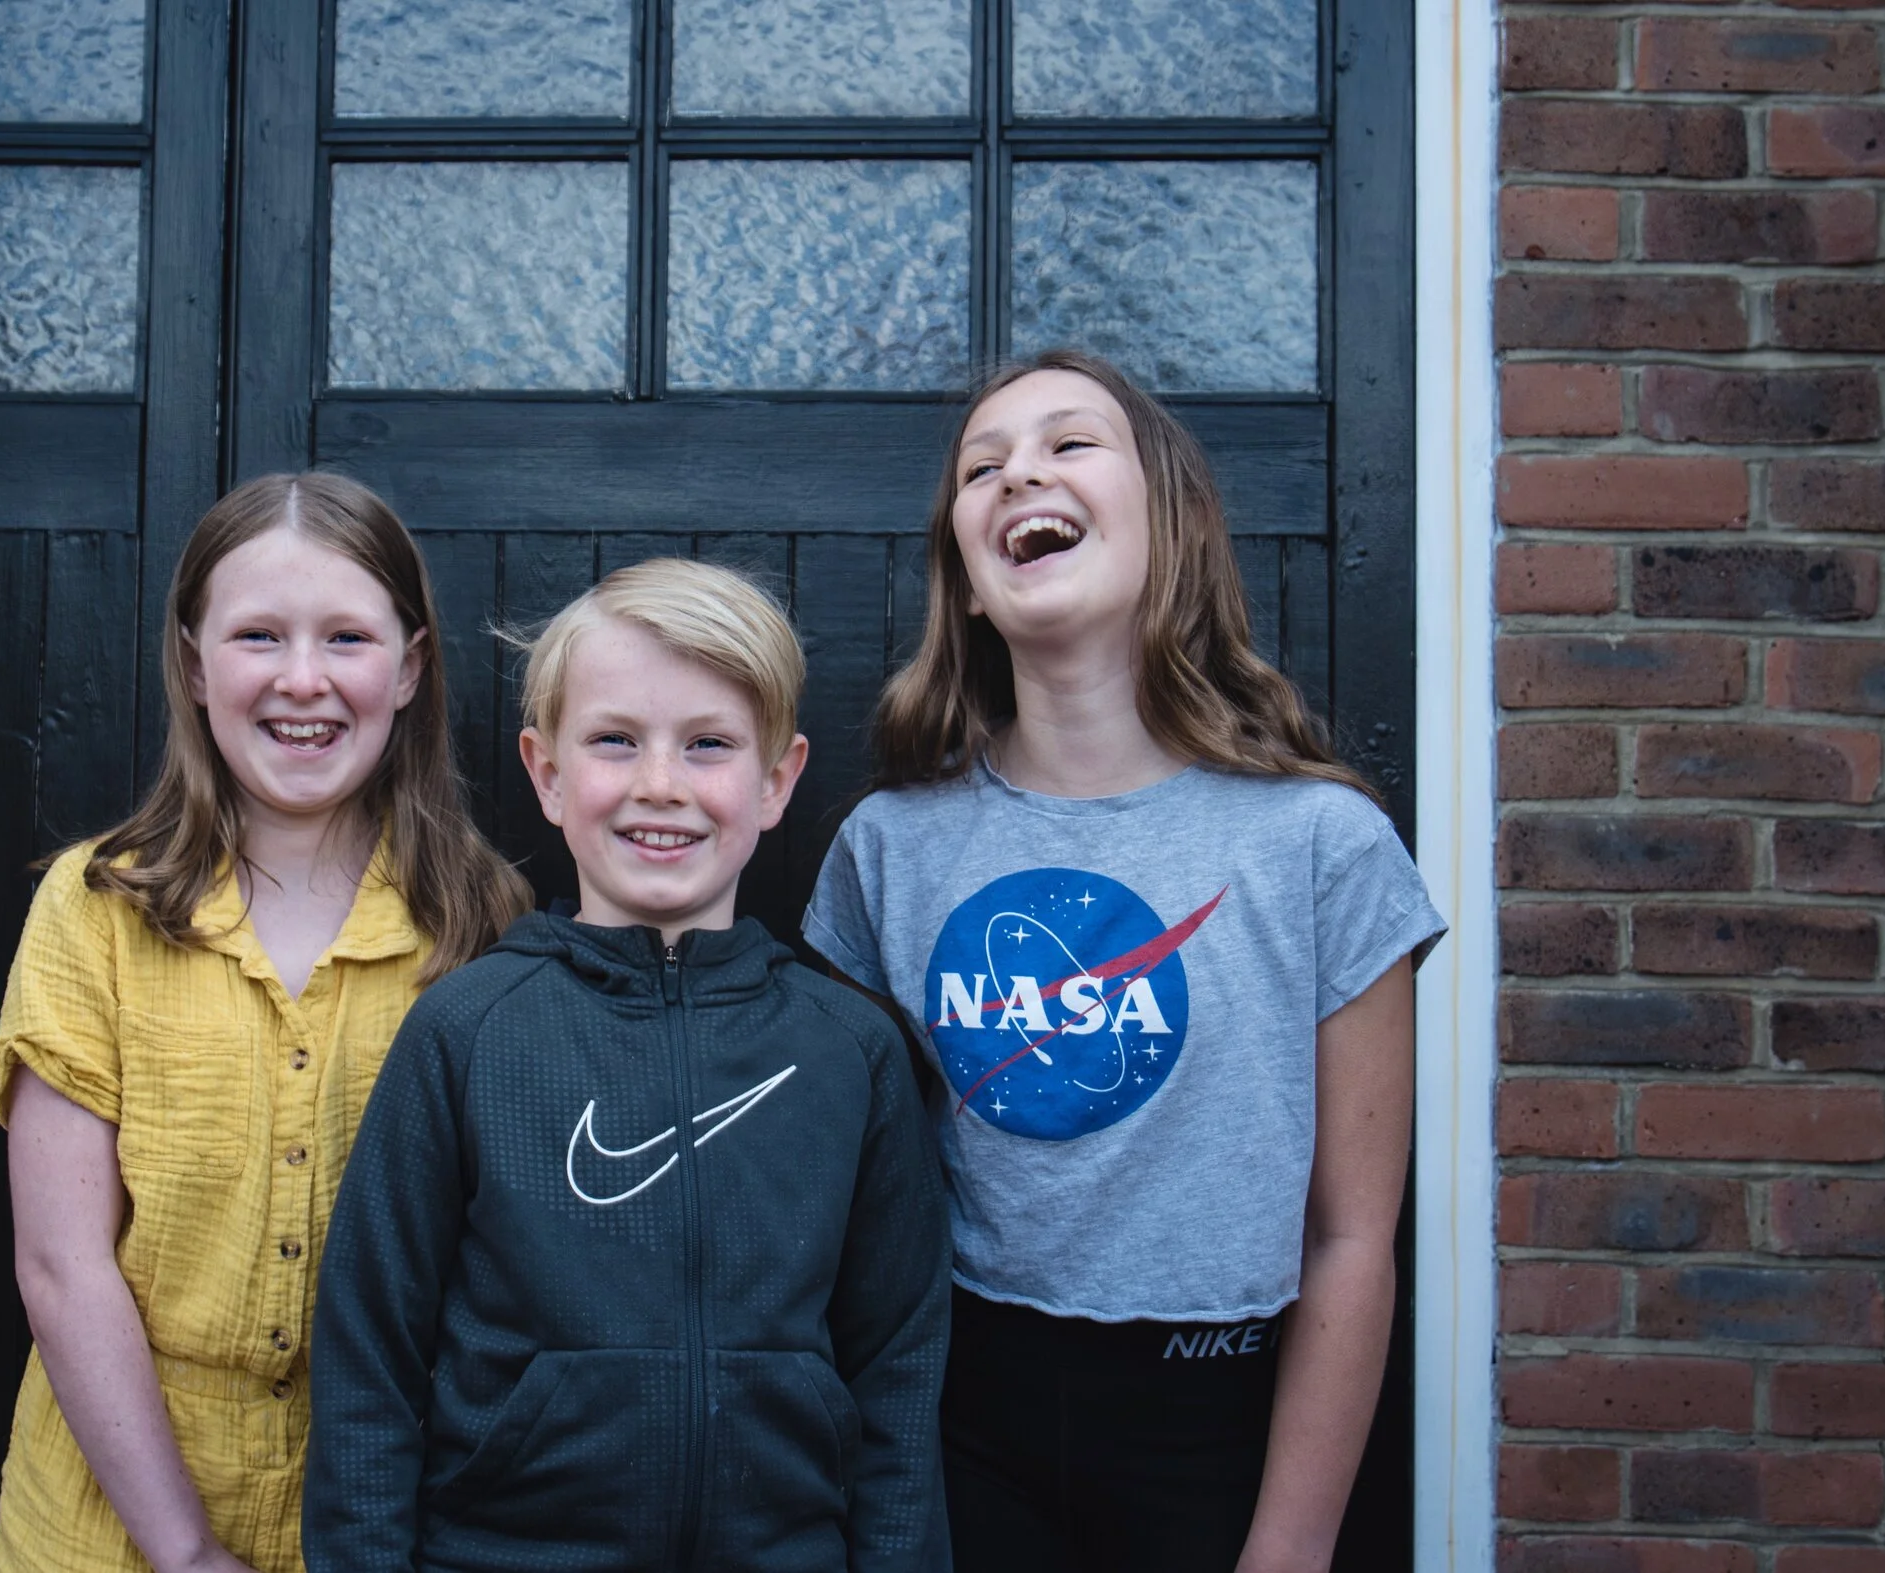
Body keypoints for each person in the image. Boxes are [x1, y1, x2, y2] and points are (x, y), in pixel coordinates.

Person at [802, 350, 1445, 1573]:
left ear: (1175, 526)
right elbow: (852, 1205)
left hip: (1216, 1431)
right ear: (970, 589)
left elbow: (1352, 1236)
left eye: (1067, 445)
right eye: (982, 467)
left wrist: (1290, 1550)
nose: (1019, 473)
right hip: (959, 1423)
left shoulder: (1320, 845)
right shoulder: (886, 850)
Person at [305, 558, 951, 1573]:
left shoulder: (849, 1050)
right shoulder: (468, 1031)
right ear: (548, 773)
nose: (661, 785)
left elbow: (898, 1373)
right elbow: (367, 1363)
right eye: (615, 741)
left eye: (708, 744)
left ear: (776, 778)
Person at [0, 472, 529, 1573]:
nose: (302, 679)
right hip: (103, 1530)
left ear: (411, 666)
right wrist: (184, 1552)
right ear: (193, 661)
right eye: (258, 635)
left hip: (377, 1529)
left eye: (346, 637)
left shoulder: (482, 922)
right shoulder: (96, 907)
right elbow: (60, 1263)